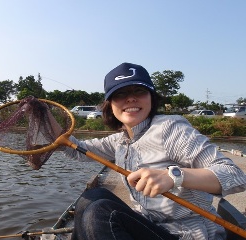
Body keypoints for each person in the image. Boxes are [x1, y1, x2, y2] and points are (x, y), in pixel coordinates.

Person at [63, 62, 246, 240]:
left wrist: (174, 176)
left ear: (152, 98)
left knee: (101, 213)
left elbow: (236, 176)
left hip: (188, 233)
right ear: (110, 104)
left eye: (139, 91)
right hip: (151, 226)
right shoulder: (121, 140)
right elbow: (77, 149)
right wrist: (46, 121)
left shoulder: (171, 129)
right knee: (92, 197)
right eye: (120, 93)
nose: (131, 98)